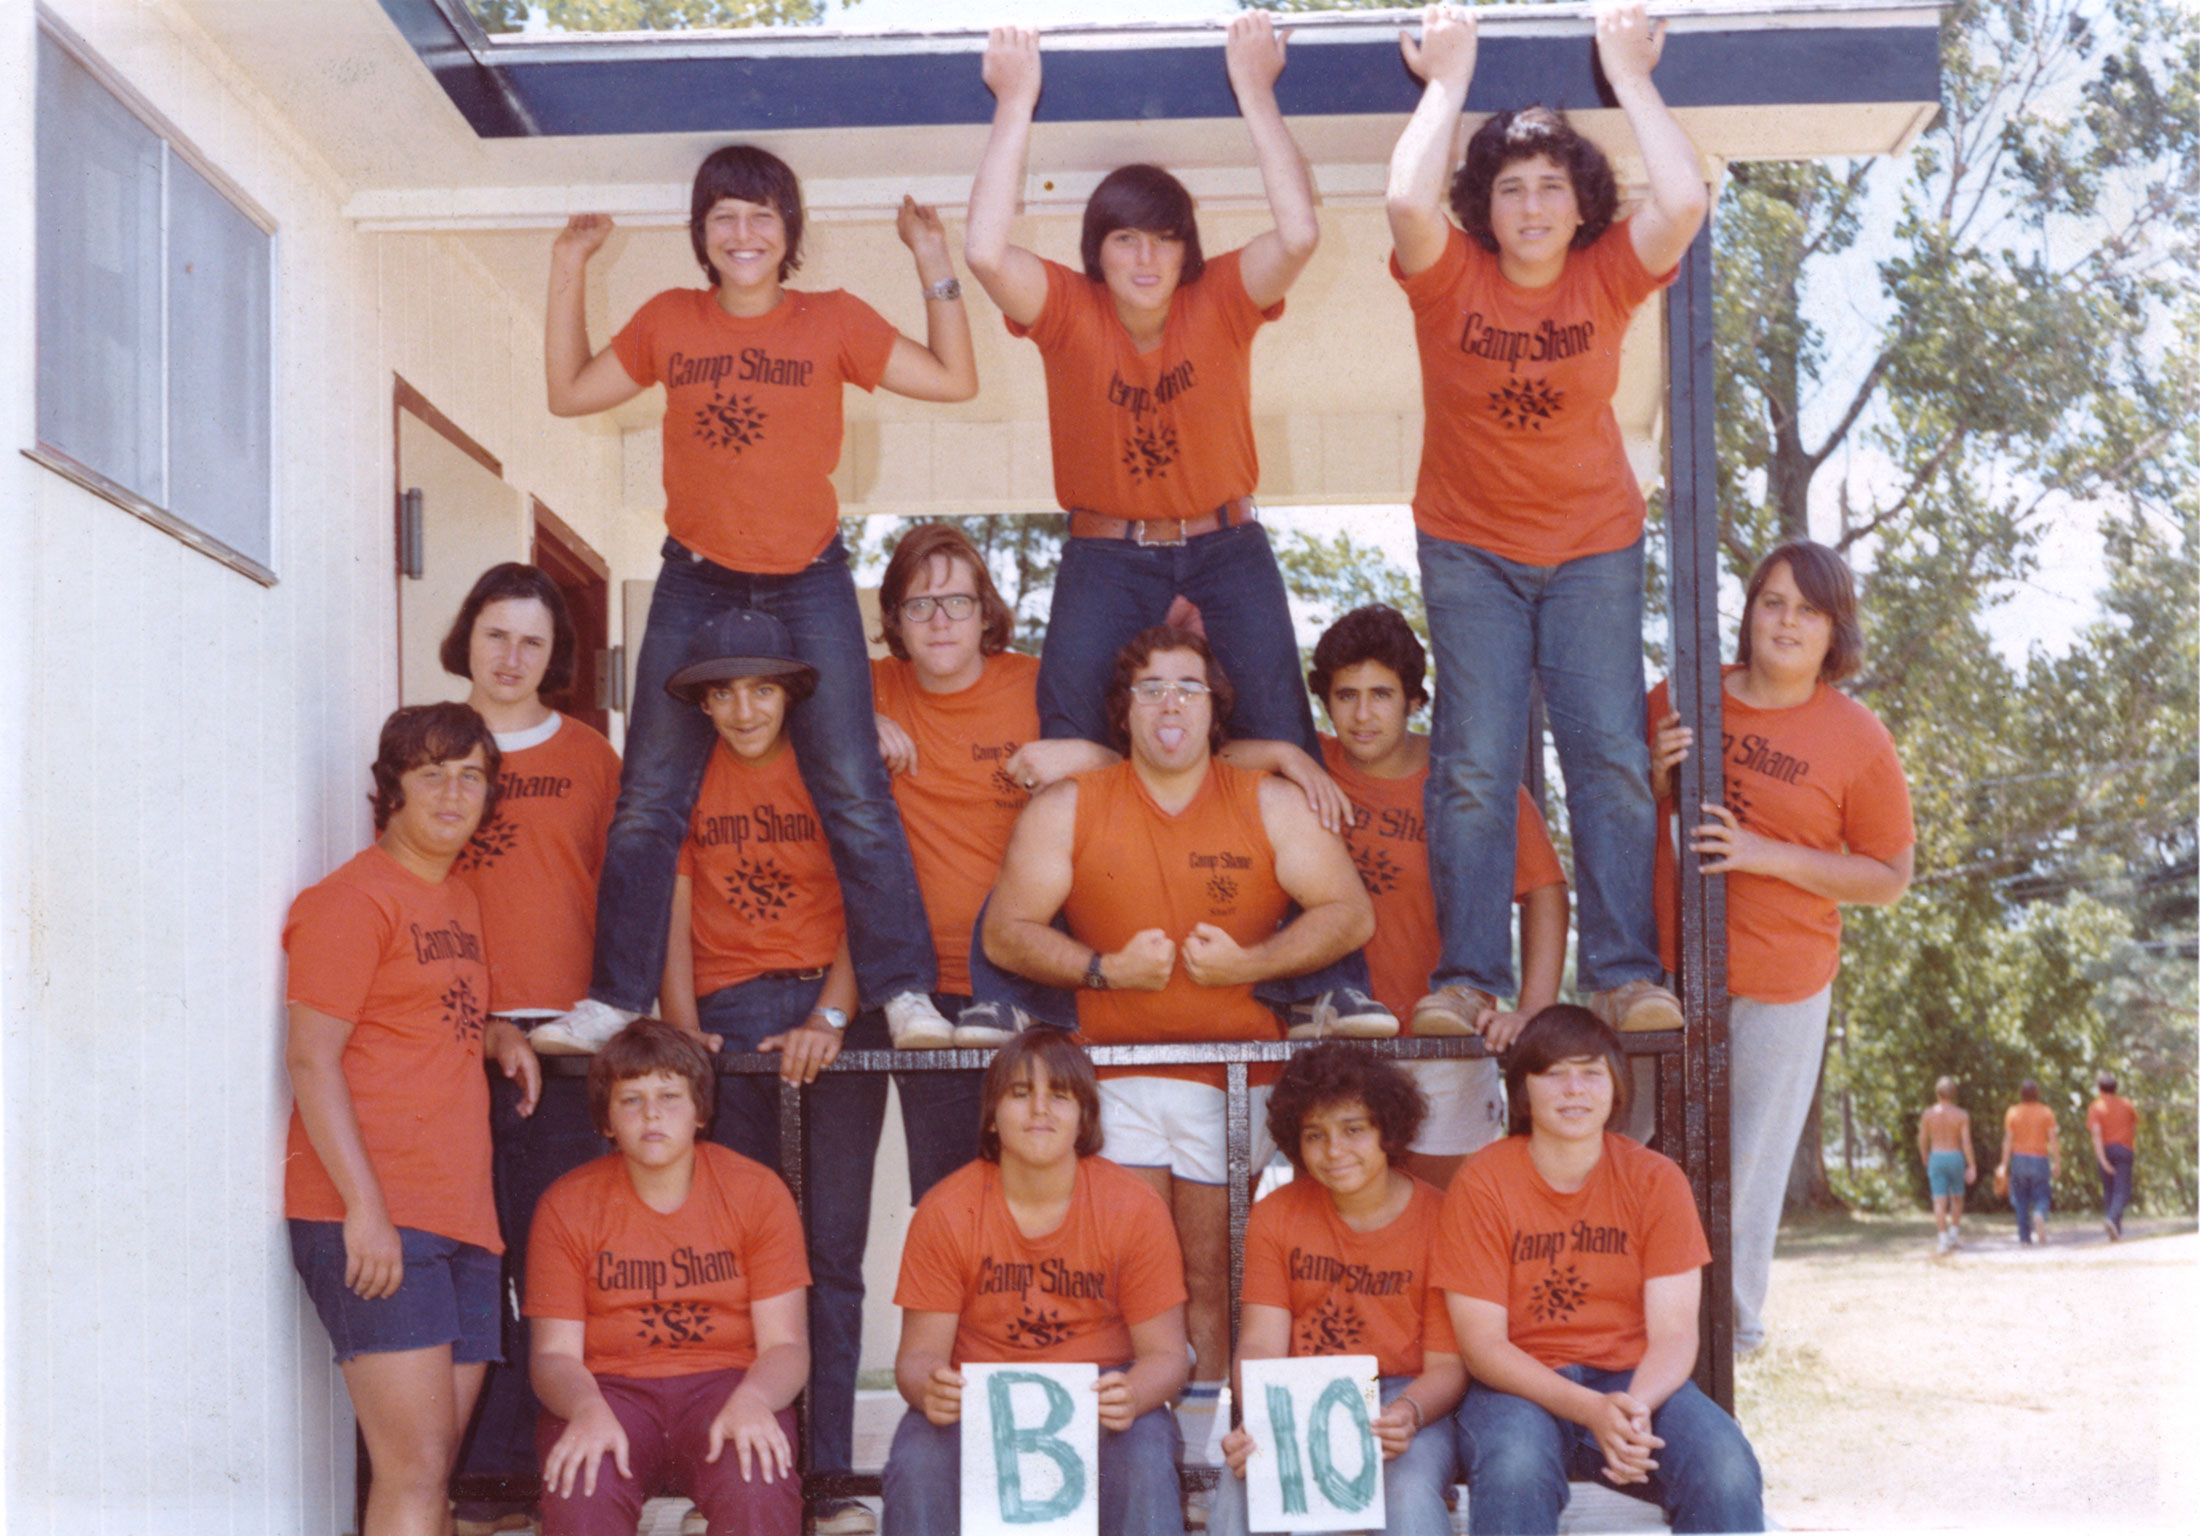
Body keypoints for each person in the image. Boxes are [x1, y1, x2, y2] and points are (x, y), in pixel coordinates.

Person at [966, 16, 1393, 1038]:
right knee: (1063, 746)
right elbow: (983, 247)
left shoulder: (1218, 301)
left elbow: (1296, 233)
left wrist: (1255, 86)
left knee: (1284, 743)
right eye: (1124, 238)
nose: (1145, 255)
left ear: (1185, 249)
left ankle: (1329, 986)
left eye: (1162, 237)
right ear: (1098, 253)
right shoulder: (1069, 311)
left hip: (1225, 538)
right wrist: (1014, 100)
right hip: (1105, 550)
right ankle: (1021, 995)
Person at [535, 143, 977, 1056]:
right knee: (651, 796)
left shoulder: (832, 321)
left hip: (808, 576)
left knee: (852, 787)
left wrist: (932, 263)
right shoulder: (669, 319)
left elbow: (955, 378)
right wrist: (567, 269)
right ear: (701, 235)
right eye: (724, 217)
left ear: (789, 233)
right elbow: (569, 391)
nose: (743, 234)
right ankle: (614, 998)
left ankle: (901, 994)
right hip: (695, 575)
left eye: (761, 217)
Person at [1385, 2, 1706, 1039]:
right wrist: (1447, 79)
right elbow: (1403, 198)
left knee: (1608, 751)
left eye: (1550, 188)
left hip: (1591, 549)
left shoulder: (1605, 274)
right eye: (1511, 187)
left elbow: (1685, 198)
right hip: (1469, 546)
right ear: (1486, 202)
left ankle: (1621, 972)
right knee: (1475, 762)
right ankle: (1467, 979)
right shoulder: (1451, 279)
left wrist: (1629, 77)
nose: (1530, 205)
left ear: (1580, 207)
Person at [983, 625, 1374, 1400]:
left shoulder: (1265, 800)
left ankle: (1210, 1453)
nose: (1171, 703)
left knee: (1214, 1273)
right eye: (1151, 687)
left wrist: (1252, 964)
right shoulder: (1073, 804)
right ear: (1122, 712)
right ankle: (1151, 1451)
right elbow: (1007, 932)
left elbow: (1349, 912)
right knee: (1132, 1282)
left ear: (1213, 712)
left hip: (1230, 1077)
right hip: (1113, 1074)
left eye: (1189, 688)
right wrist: (1102, 969)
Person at [283, 702, 541, 1536]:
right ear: (392, 788)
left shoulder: (460, 898)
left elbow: (432, 1017)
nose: (453, 792)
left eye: (472, 776)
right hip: (378, 1218)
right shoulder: (351, 901)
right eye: (432, 774)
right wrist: (366, 1211)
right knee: (417, 1469)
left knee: (433, 1469)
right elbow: (311, 1060)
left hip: (462, 1221)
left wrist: (500, 1034)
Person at [1649, 539, 1913, 1347]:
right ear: (1749, 612)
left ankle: (1725, 1343)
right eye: (1773, 601)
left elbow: (1889, 875)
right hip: (1663, 969)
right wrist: (1652, 775)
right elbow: (1617, 815)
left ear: (1836, 631)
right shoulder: (1683, 697)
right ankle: (1621, 1335)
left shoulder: (1857, 736)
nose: (1788, 621)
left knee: (1743, 1170)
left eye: (1809, 608)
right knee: (1632, 1148)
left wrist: (1767, 855)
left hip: (1782, 980)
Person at [650, 605, 879, 1531]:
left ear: (790, 690)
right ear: (702, 701)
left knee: (829, 1249)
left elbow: (876, 896)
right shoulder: (686, 777)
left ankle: (822, 1480)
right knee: (741, 1254)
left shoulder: (831, 769)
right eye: (724, 691)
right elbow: (668, 910)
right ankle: (747, 1475)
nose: (744, 708)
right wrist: (681, 1032)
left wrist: (831, 1013)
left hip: (828, 1007)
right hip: (727, 1014)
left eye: (762, 688)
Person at [439, 564, 622, 1536]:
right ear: (466, 635)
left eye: (533, 643)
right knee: (472, 1254)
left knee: (552, 1261)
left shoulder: (591, 755)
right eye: (496, 634)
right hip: (449, 1044)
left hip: (565, 1049)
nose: (511, 658)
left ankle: (547, 1473)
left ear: (557, 661)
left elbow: (625, 892)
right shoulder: (432, 745)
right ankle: (475, 1477)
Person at [1435, 1006, 1764, 1535]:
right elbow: (1483, 1347)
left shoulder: (1656, 1179)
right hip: (1520, 1386)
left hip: (1634, 1382)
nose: (1574, 1089)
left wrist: (1631, 1413)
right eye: (1554, 1072)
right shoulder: (1483, 1182)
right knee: (1515, 1469)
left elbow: (1676, 1334)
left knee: (1724, 1466)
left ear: (1616, 1086)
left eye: (1591, 1071)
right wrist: (1589, 1409)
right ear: (1522, 1090)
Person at [882, 1031, 1190, 1535]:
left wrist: (1131, 1394)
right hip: (979, 1392)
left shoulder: (1133, 1206)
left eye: (1060, 1095)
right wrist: (930, 1387)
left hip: (1100, 1386)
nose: (1039, 1110)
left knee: (1145, 1456)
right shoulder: (945, 1209)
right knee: (918, 1460)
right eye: (1021, 1093)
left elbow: (1167, 1355)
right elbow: (917, 1357)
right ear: (991, 1114)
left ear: (1085, 1116)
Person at [1306, 604, 1571, 1185]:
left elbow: (1546, 888)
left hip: (1443, 1041)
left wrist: (1534, 1009)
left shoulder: (1466, 778)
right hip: (1339, 1042)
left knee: (1442, 1228)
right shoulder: (1312, 767)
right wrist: (1284, 759)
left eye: (1382, 693)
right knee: (1349, 1239)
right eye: (1345, 695)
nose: (1363, 713)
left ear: (1414, 700)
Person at [526, 1019, 810, 1536]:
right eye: (630, 1099)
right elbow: (552, 1356)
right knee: (583, 1488)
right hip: (610, 1390)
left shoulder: (756, 1192)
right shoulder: (567, 1205)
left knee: (757, 1485)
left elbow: (786, 1346)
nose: (651, 1113)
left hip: (726, 1385)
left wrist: (753, 1400)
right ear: (606, 1120)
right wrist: (586, 1409)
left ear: (701, 1110)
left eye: (669, 1095)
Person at [1212, 1043, 1465, 1536]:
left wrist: (1407, 1414)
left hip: (1403, 1394)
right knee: (1239, 1492)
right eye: (1315, 1135)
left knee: (1408, 1494)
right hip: (1301, 1391)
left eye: (1353, 1130)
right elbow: (1261, 1342)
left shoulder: (1440, 1217)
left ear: (1386, 1130)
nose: (1333, 1151)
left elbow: (1448, 1367)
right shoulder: (1277, 1213)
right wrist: (1265, 1419)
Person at [1996, 1080, 2059, 1246]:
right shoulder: (2046, 1112)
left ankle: (2024, 1238)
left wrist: (2003, 1164)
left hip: (2019, 1159)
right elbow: (2053, 1138)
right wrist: (2057, 1161)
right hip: (2040, 1158)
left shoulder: (2013, 1112)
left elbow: (2008, 1140)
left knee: (2020, 1198)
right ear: (2037, 1094)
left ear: (2020, 1094)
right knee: (2042, 1194)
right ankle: (2039, 1213)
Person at [1918, 1078, 1976, 1254]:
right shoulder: (1961, 1114)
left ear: (1937, 1093)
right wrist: (1972, 1165)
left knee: (1939, 1200)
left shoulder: (1928, 1114)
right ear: (1954, 1094)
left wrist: (1924, 1155)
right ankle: (1953, 1235)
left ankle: (1943, 1240)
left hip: (1937, 1156)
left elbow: (1922, 1138)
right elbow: (1966, 1142)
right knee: (1957, 1197)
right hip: (1955, 1157)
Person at [2087, 1073, 2139, 1240]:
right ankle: (2112, 1221)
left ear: (2100, 1088)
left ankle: (2114, 1228)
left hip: (2105, 1150)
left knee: (2109, 1189)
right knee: (2122, 1190)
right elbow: (2134, 1127)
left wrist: (2102, 1159)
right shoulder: (2126, 1104)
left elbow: (2096, 1134)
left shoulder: (2096, 1107)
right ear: (2115, 1087)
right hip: (2124, 1149)